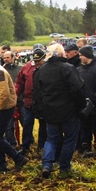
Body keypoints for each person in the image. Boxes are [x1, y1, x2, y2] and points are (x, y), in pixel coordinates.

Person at [33, 44, 86, 179]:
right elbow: (77, 89)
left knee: (51, 139)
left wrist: (42, 109)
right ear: (62, 54)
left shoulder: (42, 70)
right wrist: (81, 106)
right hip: (68, 111)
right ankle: (64, 167)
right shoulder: (67, 68)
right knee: (69, 139)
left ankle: (47, 164)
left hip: (50, 111)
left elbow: (38, 93)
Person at [14, 45, 45, 158]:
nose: (36, 63)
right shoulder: (27, 67)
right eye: (35, 60)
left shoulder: (46, 68)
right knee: (27, 123)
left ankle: (41, 147)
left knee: (43, 124)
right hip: (28, 101)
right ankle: (25, 146)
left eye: (39, 60)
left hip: (42, 102)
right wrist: (16, 95)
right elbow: (20, 82)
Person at [77, 45, 96, 157]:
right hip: (82, 104)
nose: (80, 58)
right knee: (84, 126)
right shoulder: (78, 70)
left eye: (81, 55)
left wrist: (94, 97)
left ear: (87, 56)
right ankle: (86, 147)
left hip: (94, 104)